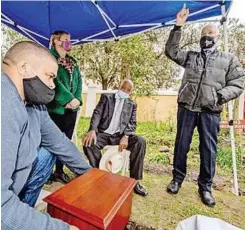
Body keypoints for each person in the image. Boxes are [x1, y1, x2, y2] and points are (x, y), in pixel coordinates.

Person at [1, 41, 91, 230]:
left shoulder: (34, 106)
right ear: (24, 68)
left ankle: (23, 210)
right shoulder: (4, 104)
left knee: (46, 155)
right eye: (50, 77)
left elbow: (60, 143)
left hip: (13, 184)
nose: (52, 86)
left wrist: (91, 175)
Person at [165, 5, 245, 207]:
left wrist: (219, 96)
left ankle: (205, 187)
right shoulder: (191, 56)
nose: (206, 36)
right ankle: (177, 179)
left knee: (208, 150)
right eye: (203, 33)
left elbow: (238, 83)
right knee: (181, 146)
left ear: (217, 37)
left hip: (210, 111)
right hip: (187, 108)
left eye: (210, 33)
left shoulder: (228, 59)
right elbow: (171, 51)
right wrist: (178, 26)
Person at [83, 79, 148, 197]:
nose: (124, 91)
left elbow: (132, 123)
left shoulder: (132, 104)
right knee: (89, 142)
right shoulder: (106, 98)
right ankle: (100, 175)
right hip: (104, 133)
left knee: (140, 141)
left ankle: (135, 181)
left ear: (130, 92)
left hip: (120, 135)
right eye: (123, 88)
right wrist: (92, 129)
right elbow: (97, 113)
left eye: (128, 90)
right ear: (119, 86)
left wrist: (126, 136)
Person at [47, 30, 82, 184]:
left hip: (71, 110)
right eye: (66, 39)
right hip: (55, 109)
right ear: (56, 41)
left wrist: (77, 100)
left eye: (70, 39)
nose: (69, 42)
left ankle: (59, 171)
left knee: (65, 141)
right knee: (50, 141)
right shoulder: (48, 58)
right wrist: (67, 98)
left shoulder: (72, 61)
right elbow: (53, 81)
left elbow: (79, 82)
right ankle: (46, 172)